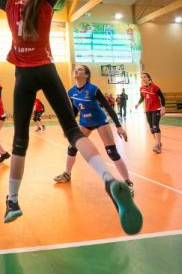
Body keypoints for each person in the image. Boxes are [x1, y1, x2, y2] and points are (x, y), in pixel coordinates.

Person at [0, 0, 142, 235]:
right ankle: (108, 179)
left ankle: (12, 201)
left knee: (21, 139)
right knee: (73, 131)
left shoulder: (10, 5)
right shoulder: (47, 4)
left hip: (24, 76)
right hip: (47, 70)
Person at [53, 65, 134, 195]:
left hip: (100, 121)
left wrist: (118, 126)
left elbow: (108, 107)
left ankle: (128, 182)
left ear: (86, 75)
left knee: (112, 152)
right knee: (72, 147)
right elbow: (74, 110)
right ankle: (67, 174)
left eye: (80, 69)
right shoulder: (71, 92)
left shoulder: (93, 89)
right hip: (85, 123)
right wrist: (69, 128)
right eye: (75, 69)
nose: (76, 70)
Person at [135, 72, 166, 153]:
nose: (143, 78)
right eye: (142, 77)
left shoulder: (155, 87)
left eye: (145, 77)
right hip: (148, 110)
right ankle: (158, 142)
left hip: (156, 108)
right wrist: (138, 103)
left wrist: (163, 107)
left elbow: (162, 97)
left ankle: (157, 145)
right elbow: (142, 97)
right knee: (151, 128)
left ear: (149, 78)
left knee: (155, 125)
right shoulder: (141, 88)